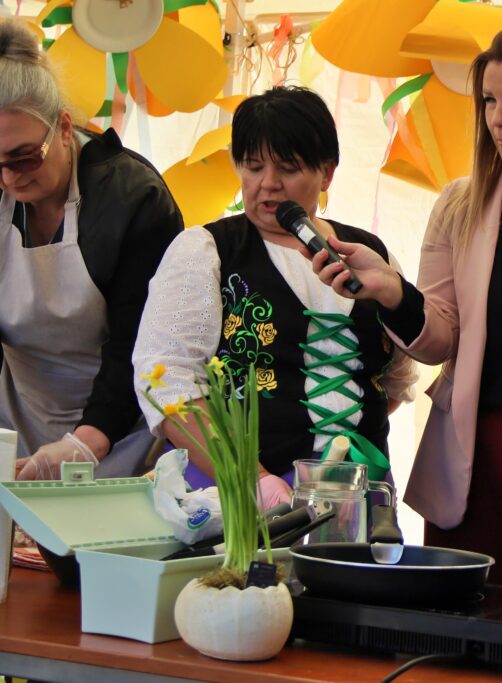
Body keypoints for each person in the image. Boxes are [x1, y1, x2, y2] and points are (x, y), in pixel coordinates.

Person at [310, 23, 502, 585]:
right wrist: (392, 290)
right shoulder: (460, 203)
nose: (497, 118)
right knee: (462, 605)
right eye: (488, 100)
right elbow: (440, 339)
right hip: (470, 445)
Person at [132, 86, 417, 509]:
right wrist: (255, 478)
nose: (268, 184)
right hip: (240, 496)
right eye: (253, 166)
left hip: (359, 495)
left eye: (288, 167)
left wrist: (339, 439)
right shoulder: (206, 251)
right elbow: (168, 384)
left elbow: (395, 378)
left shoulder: (368, 253)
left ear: (327, 173)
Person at [0, 20, 183, 480]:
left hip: (117, 430)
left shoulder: (134, 200)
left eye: (24, 157)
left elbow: (139, 345)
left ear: (63, 128)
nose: (9, 177)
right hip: (16, 410)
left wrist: (86, 442)